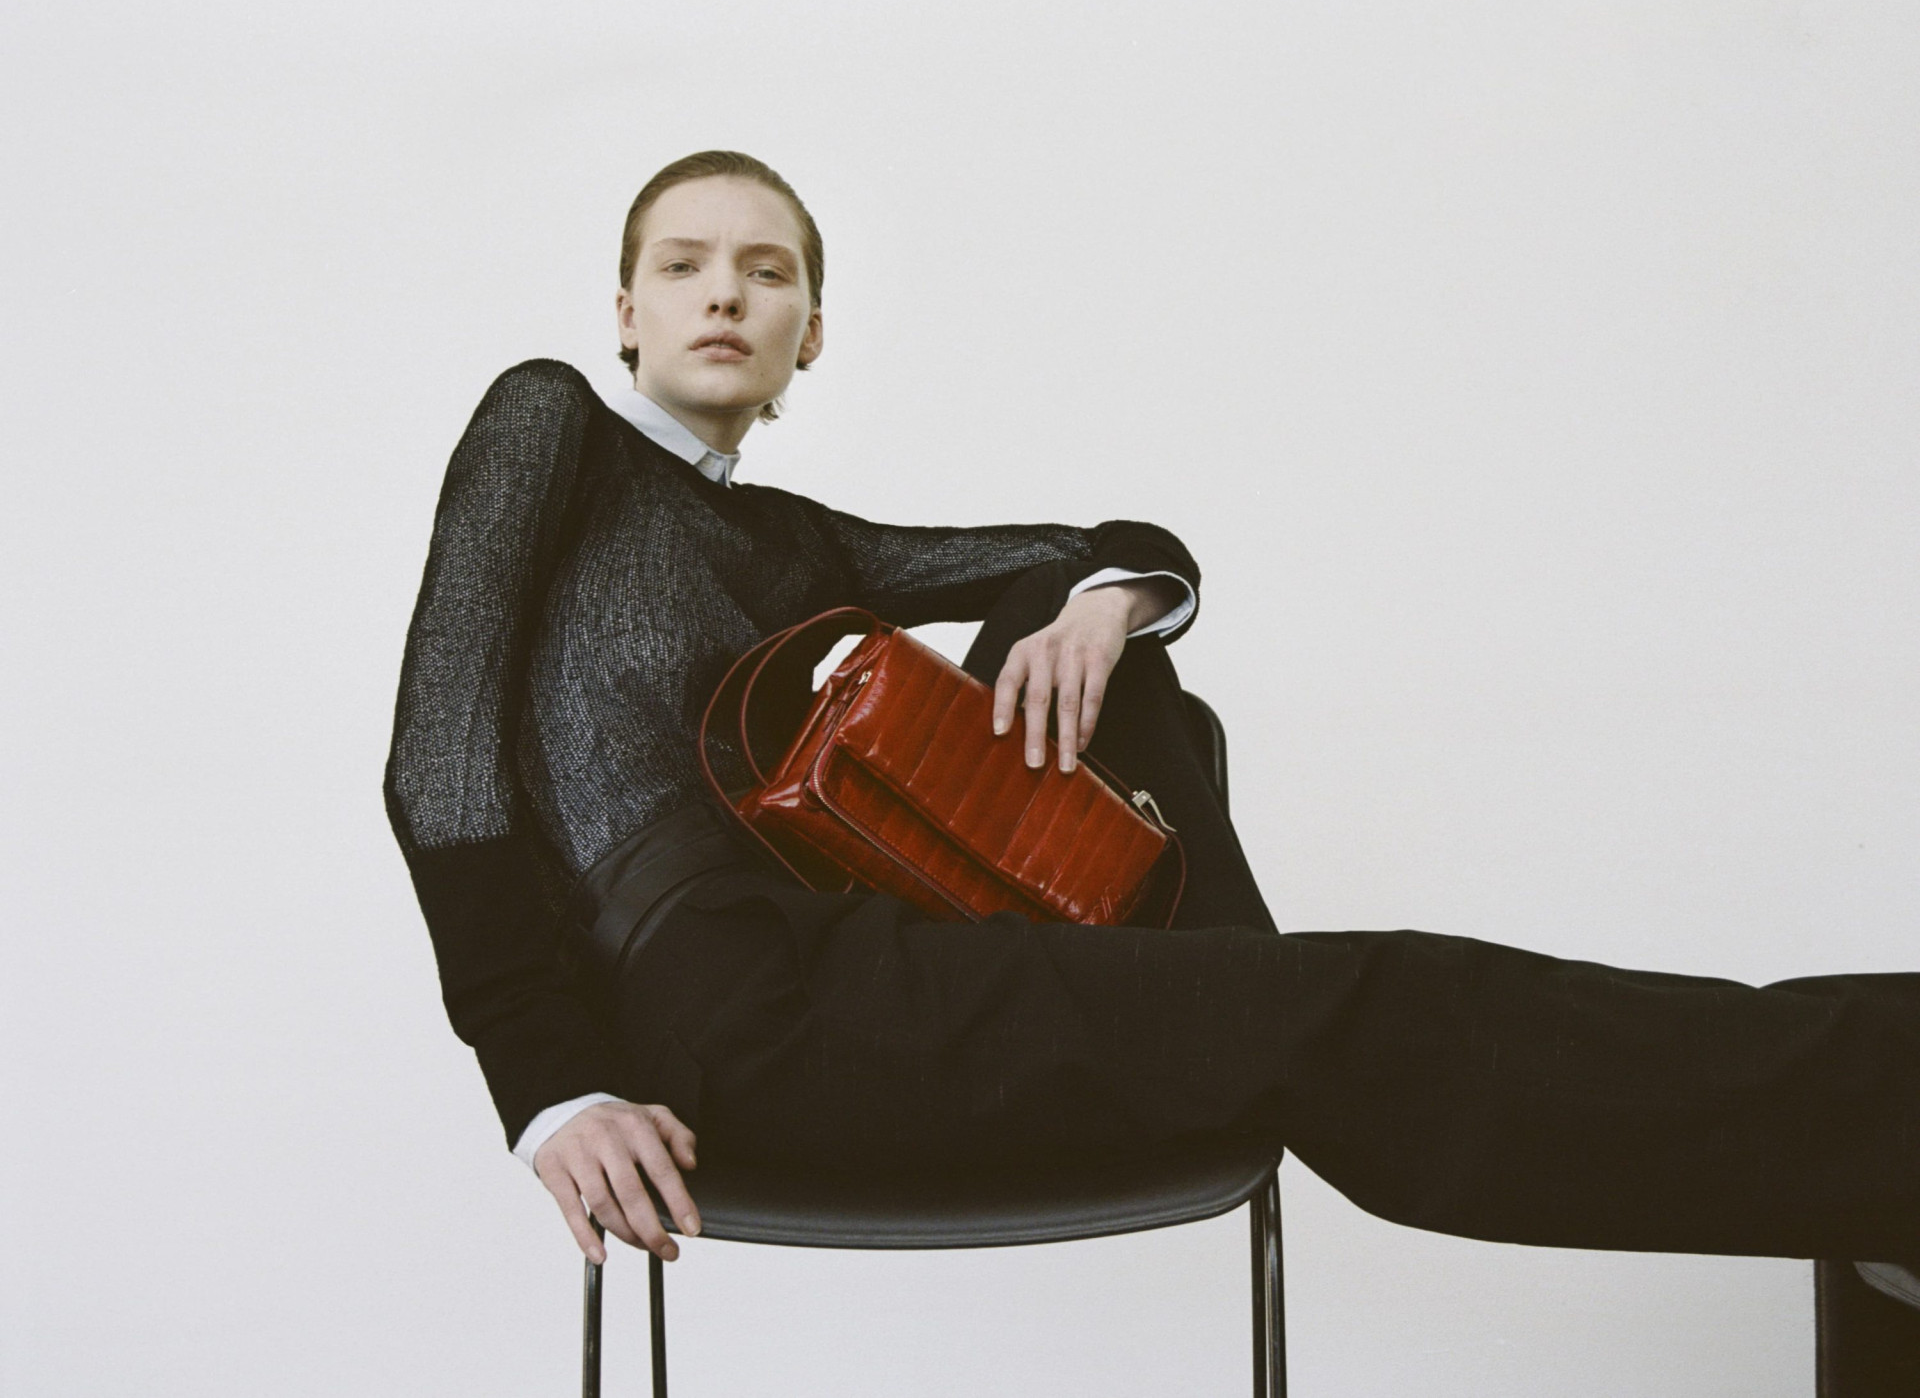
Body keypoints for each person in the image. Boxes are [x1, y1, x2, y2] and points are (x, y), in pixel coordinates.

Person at [384, 149, 1920, 1281]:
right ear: (627, 312)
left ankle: (1245, 992)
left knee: (1135, 692)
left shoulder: (800, 542)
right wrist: (548, 1088)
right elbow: (438, 759)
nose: (725, 290)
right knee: (1369, 1005)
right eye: (684, 264)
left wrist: (1105, 605)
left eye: (767, 270)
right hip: (727, 1012)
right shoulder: (550, 421)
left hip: (857, 971)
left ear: (814, 333)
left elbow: (1101, 546)